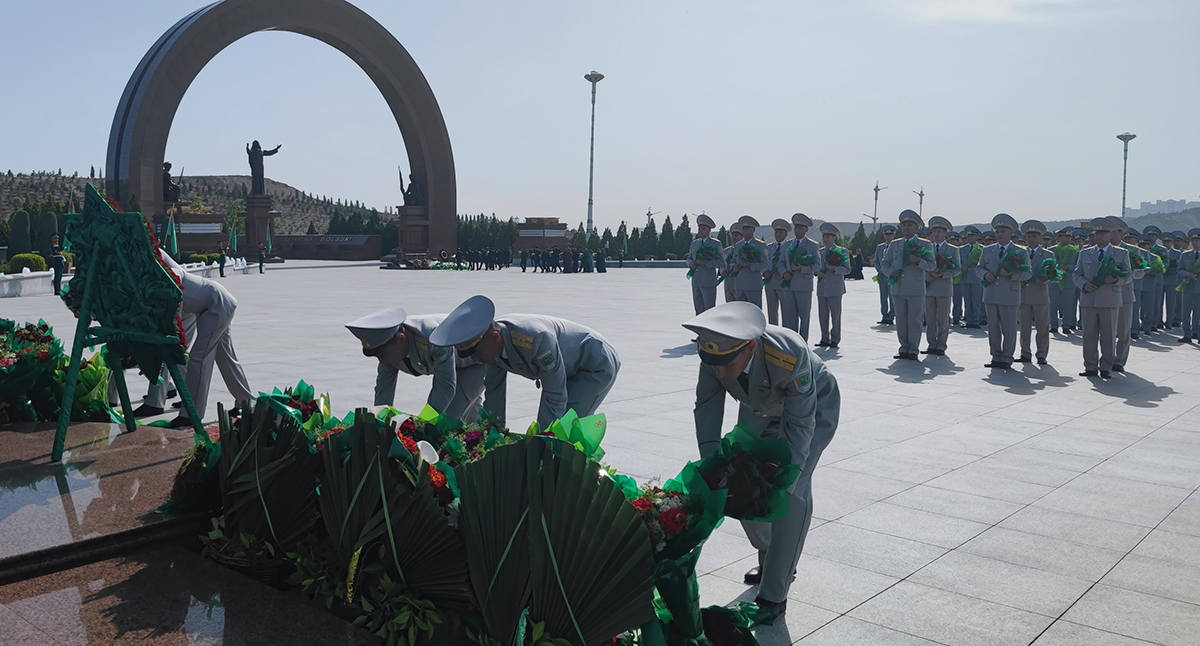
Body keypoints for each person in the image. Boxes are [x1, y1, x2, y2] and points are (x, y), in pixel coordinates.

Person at [684, 302, 839, 623]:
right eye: (716, 365)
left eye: (728, 364)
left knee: (790, 497)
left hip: (811, 410)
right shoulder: (717, 355)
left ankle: (775, 593)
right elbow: (707, 408)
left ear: (751, 347)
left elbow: (800, 427)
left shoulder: (788, 354)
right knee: (738, 486)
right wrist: (713, 466)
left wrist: (785, 480)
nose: (722, 372)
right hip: (758, 408)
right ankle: (773, 557)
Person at [429, 295, 621, 428]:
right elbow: (494, 392)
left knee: (568, 426)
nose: (476, 359)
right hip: (568, 367)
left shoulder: (535, 339)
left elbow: (554, 394)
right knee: (560, 428)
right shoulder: (491, 349)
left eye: (476, 353)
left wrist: (542, 441)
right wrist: (492, 433)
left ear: (495, 337)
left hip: (594, 364)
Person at [157, 251, 254, 427]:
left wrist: (174, 337)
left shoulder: (171, 275)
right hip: (214, 304)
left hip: (216, 304)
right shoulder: (162, 276)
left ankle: (191, 414)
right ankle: (246, 402)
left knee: (199, 358)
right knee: (227, 359)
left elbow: (175, 308)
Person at [345, 307, 486, 421]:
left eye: (383, 355)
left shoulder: (433, 339)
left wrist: (423, 423)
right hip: (452, 368)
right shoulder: (388, 350)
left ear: (401, 339)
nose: (382, 361)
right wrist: (381, 424)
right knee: (472, 421)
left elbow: (445, 388)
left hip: (475, 362)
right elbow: (383, 394)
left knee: (448, 420)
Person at [1074, 218, 1128, 378]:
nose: (1100, 236)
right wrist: (1084, 284)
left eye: (1104, 233)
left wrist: (1116, 280)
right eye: (1097, 233)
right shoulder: (1084, 253)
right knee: (1089, 335)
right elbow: (1076, 274)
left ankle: (1106, 367)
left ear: (1111, 234)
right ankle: (1090, 366)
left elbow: (1128, 275)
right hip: (1089, 299)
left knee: (1109, 335)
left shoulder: (1121, 253)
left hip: (1109, 299)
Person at [976, 214, 1031, 369]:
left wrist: (1012, 275)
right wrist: (985, 274)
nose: (999, 234)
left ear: (1011, 233)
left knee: (1009, 328)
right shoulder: (987, 250)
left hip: (1010, 294)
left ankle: (1007, 357)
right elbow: (979, 268)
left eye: (1003, 231)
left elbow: (1028, 273)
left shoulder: (1020, 252)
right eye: (997, 231)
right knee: (993, 328)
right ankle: (995, 355)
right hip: (991, 294)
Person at [881, 210, 935, 360]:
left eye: (910, 225)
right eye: (904, 225)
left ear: (916, 227)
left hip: (915, 288)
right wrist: (891, 272)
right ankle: (903, 347)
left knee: (914, 320)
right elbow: (885, 263)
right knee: (901, 319)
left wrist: (918, 261)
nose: (906, 228)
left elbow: (932, 265)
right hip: (898, 287)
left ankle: (913, 348)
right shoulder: (895, 244)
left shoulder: (924, 244)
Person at [1018, 220, 1054, 365]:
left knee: (1042, 327)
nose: (1032, 239)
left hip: (1040, 293)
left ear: (1040, 238)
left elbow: (1052, 273)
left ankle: (1042, 354)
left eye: (1035, 236)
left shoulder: (1048, 254)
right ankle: (1025, 353)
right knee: (1024, 327)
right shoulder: (1019, 252)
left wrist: (1045, 279)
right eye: (1029, 236)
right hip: (1023, 293)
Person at [1111, 218, 1144, 372]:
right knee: (1107, 330)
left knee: (1124, 331)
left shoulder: (1133, 250)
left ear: (1121, 233)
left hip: (1124, 295)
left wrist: (1123, 277)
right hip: (1105, 295)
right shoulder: (1100, 249)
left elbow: (1139, 272)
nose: (1110, 234)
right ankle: (1107, 358)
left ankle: (1120, 361)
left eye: (1114, 231)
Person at [779, 213, 820, 337]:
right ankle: (791, 341)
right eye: (796, 227)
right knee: (789, 316)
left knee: (804, 316)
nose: (798, 230)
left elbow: (817, 266)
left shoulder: (812, 245)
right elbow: (781, 262)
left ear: (806, 229)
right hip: (788, 285)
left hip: (803, 286)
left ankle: (803, 341)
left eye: (801, 228)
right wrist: (784, 273)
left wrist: (802, 268)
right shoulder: (787, 244)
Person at [922, 217, 957, 356]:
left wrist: (943, 274)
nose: (936, 234)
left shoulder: (952, 250)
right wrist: (928, 275)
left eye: (939, 231)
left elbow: (957, 269)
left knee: (943, 319)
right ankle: (931, 344)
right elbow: (921, 264)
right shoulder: (926, 248)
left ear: (945, 234)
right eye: (934, 231)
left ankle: (941, 345)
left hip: (943, 288)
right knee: (930, 318)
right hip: (929, 287)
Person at [814, 223, 850, 347]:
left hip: (835, 288)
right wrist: (817, 272)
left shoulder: (842, 251)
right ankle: (824, 338)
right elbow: (815, 267)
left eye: (829, 236)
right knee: (822, 315)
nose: (826, 239)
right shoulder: (820, 252)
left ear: (834, 237)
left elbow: (847, 269)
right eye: (824, 236)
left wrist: (834, 268)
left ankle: (835, 339)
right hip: (822, 288)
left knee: (835, 316)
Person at [686, 214, 726, 314]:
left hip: (708, 281)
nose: (700, 230)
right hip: (696, 281)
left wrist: (707, 263)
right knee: (698, 308)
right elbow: (689, 258)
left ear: (709, 230)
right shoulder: (695, 243)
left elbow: (721, 262)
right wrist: (691, 264)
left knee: (709, 309)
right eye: (699, 228)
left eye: (703, 228)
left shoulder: (716, 244)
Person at [730, 217, 768, 307]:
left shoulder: (760, 245)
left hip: (753, 285)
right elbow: (733, 261)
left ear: (753, 230)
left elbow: (765, 265)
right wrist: (734, 267)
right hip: (740, 285)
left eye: (748, 229)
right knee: (741, 314)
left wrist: (750, 265)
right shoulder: (738, 245)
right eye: (744, 228)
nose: (745, 231)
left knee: (754, 313)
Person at [1049, 227, 1078, 334]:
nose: (1063, 239)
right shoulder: (1052, 249)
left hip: (1068, 281)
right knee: (1053, 305)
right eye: (1061, 236)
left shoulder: (1075, 250)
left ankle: (1066, 326)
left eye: (1066, 237)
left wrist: (1068, 267)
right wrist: (1056, 267)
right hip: (1055, 280)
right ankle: (1054, 325)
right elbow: (1048, 263)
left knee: (1068, 305)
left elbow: (1078, 265)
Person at [763, 219, 791, 325]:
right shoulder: (769, 247)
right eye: (776, 232)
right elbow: (764, 262)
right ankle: (773, 335)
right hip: (770, 283)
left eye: (781, 232)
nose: (778, 234)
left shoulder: (790, 247)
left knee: (786, 312)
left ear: (786, 233)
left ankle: (785, 335)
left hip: (784, 283)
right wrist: (765, 272)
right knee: (771, 312)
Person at [959, 226, 985, 328]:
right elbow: (958, 262)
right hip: (965, 277)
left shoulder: (981, 249)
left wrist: (976, 262)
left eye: (972, 235)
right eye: (968, 236)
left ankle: (976, 320)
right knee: (967, 300)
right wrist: (962, 268)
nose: (970, 238)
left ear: (977, 237)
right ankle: (969, 320)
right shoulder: (961, 249)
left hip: (976, 278)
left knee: (976, 300)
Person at [1179, 229, 1200, 342]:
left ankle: (1197, 333)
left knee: (1198, 313)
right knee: (1186, 313)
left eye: (1197, 240)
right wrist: (1188, 274)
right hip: (1187, 287)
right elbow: (1180, 270)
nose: (1195, 242)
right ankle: (1187, 335)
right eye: (1193, 240)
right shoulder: (1185, 255)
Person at [873, 224, 897, 325]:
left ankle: (891, 316)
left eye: (890, 234)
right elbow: (876, 261)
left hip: (891, 276)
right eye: (886, 235)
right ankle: (884, 315)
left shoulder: (896, 246)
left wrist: (889, 270)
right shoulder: (880, 247)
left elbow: (896, 261)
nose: (888, 237)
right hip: (882, 276)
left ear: (893, 235)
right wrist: (879, 269)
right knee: (883, 297)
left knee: (892, 297)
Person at [722, 228, 743, 303]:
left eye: (736, 235)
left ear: (742, 237)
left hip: (740, 282)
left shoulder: (744, 250)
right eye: (732, 235)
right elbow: (722, 264)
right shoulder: (726, 251)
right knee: (729, 306)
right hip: (728, 283)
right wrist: (722, 271)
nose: (734, 238)